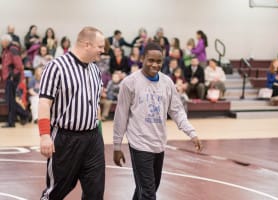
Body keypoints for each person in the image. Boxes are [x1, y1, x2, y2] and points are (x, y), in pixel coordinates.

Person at [113, 42, 203, 200]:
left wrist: (191, 132)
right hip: (139, 144)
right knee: (148, 194)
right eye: (150, 60)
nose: (155, 64)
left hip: (159, 144)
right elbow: (121, 115)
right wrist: (117, 145)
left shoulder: (167, 82)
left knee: (147, 188)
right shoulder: (129, 83)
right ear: (142, 58)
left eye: (159, 61)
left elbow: (176, 110)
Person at [38, 26, 105, 200]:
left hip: (93, 139)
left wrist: (99, 132)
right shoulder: (56, 67)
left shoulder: (95, 70)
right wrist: (45, 135)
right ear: (87, 44)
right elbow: (44, 102)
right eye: (100, 46)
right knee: (57, 191)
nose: (103, 51)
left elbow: (95, 103)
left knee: (95, 192)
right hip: (65, 138)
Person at [1, 34, 24, 128]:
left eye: (2, 41)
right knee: (10, 100)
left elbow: (19, 65)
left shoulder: (13, 49)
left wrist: (12, 76)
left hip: (11, 78)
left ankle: (17, 119)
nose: (1, 43)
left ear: (6, 41)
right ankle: (16, 119)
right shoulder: (6, 50)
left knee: (10, 100)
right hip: (8, 78)